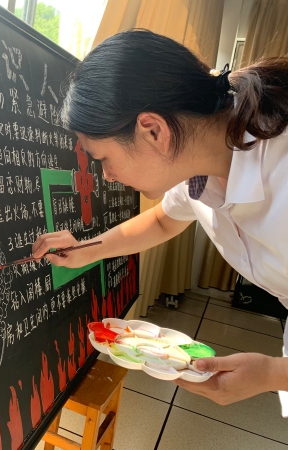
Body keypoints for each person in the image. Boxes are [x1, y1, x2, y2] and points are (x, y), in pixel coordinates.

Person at [32, 29, 288, 412]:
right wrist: (86, 251)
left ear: (153, 130)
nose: (107, 177)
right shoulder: (197, 165)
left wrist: (271, 374)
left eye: (103, 159)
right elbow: (163, 222)